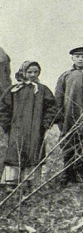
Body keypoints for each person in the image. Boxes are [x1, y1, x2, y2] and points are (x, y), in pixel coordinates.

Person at [0, 61, 59, 190]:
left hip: (35, 129)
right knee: (15, 152)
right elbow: (4, 108)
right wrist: (6, 125)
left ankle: (30, 181)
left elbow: (52, 108)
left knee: (34, 152)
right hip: (16, 129)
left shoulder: (42, 90)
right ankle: (11, 182)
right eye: (29, 72)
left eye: (35, 72)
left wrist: (46, 123)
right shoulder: (14, 90)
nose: (32, 75)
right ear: (23, 72)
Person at [53, 47, 83, 185]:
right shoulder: (66, 76)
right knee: (68, 144)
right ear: (72, 58)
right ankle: (67, 172)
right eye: (77, 56)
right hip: (68, 117)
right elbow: (58, 96)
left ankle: (80, 171)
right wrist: (59, 116)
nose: (80, 59)